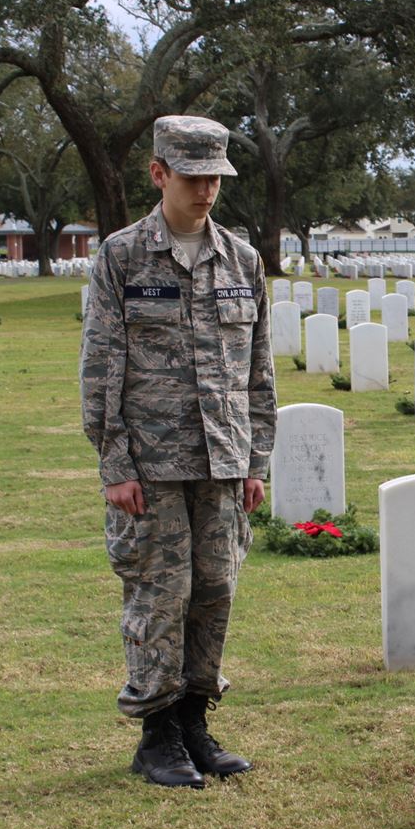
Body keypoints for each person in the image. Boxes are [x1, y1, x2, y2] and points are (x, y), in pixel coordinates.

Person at [80, 115, 276, 789]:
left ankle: (195, 718)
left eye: (216, 177)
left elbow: (258, 370)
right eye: (194, 177)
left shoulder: (241, 260)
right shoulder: (122, 256)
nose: (207, 190)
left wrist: (257, 460)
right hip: (152, 463)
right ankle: (156, 732)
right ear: (159, 173)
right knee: (161, 595)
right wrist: (115, 465)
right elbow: (101, 363)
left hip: (222, 459)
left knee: (215, 591)